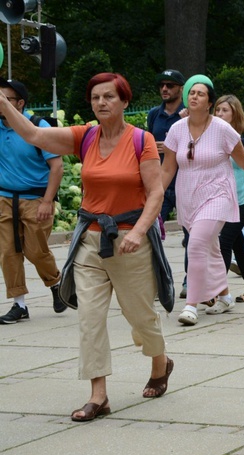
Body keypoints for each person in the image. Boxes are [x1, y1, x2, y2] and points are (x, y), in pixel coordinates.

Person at [0, 73, 173, 420]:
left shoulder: (143, 140)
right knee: (90, 320)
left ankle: (160, 362)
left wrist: (139, 232)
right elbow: (34, 134)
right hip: (90, 240)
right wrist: (4, 104)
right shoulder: (85, 137)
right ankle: (99, 396)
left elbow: (156, 192)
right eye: (95, 98)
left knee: (141, 319)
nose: (101, 103)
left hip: (129, 240)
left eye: (109, 96)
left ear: (125, 101)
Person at [164, 77, 244, 325]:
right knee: (212, 248)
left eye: (200, 94)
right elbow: (167, 170)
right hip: (188, 198)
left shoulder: (222, 129)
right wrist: (153, 199)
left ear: (209, 102)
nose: (194, 96)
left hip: (217, 195)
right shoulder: (176, 129)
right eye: (191, 93)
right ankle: (225, 296)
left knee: (196, 245)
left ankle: (191, 305)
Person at [0, 78, 66, 324]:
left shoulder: (37, 127)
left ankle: (56, 283)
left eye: (6, 99)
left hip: (36, 199)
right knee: (7, 252)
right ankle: (19, 304)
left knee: (35, 251)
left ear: (20, 103)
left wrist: (48, 201)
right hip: (5, 198)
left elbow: (56, 167)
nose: (1, 103)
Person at [215, 95, 244, 303]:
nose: (219, 114)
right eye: (217, 110)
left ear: (234, 112)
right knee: (237, 244)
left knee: (224, 242)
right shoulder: (212, 135)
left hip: (242, 199)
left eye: (224, 110)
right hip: (220, 198)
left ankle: (217, 292)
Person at [146, 69, 189, 297]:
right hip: (160, 180)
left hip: (184, 179)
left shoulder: (189, 115)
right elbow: (146, 143)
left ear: (181, 89)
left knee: (190, 234)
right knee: (150, 229)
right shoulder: (154, 114)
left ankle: (188, 281)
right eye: (162, 85)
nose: (165, 89)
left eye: (170, 85)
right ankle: (157, 279)